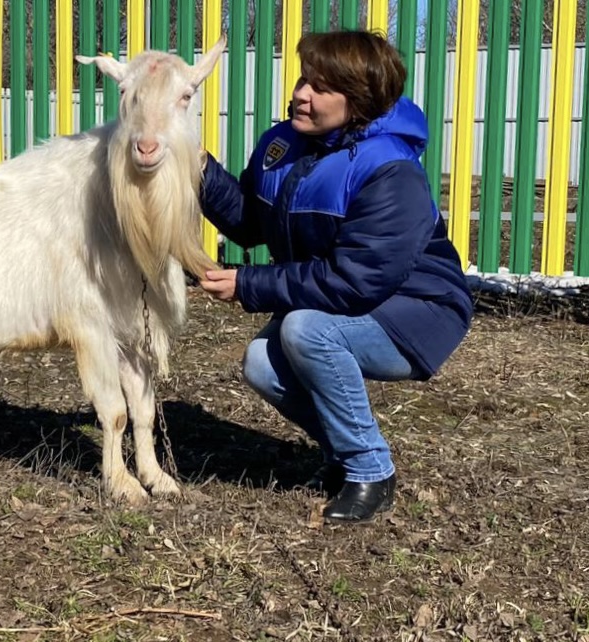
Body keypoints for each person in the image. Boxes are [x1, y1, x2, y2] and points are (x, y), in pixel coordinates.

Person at [196, 30, 473, 524]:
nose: (302, 93)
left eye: (321, 88)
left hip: (418, 309)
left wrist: (248, 284)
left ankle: (371, 469)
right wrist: (193, 166)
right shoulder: (285, 145)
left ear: (359, 100)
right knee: (262, 361)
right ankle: (347, 457)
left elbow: (354, 281)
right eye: (305, 79)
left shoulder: (390, 169)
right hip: (344, 303)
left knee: (303, 330)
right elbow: (247, 224)